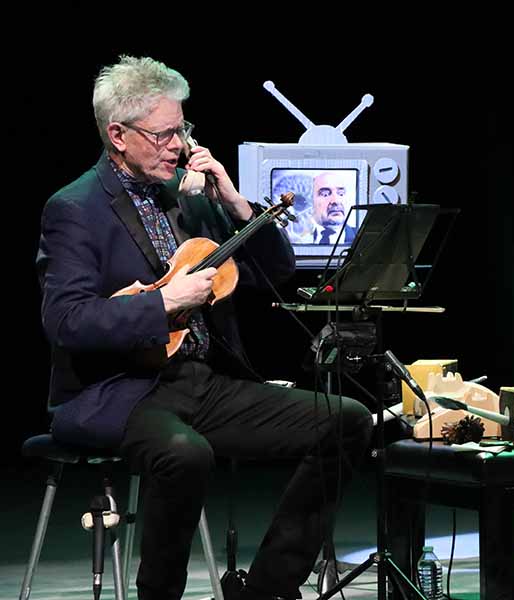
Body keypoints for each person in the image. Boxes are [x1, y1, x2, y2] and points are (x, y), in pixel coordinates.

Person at [36, 55, 373, 600]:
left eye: (183, 129)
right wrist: (164, 301)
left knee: (347, 420)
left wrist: (235, 203)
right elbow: (66, 321)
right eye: (165, 133)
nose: (179, 144)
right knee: (186, 454)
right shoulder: (75, 208)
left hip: (202, 383)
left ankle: (269, 586)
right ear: (118, 135)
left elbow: (276, 273)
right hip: (117, 391)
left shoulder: (188, 197)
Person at [297, 171, 357, 245]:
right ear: (310, 202)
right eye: (325, 194)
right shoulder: (298, 239)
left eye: (341, 194)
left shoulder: (360, 237)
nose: (336, 201)